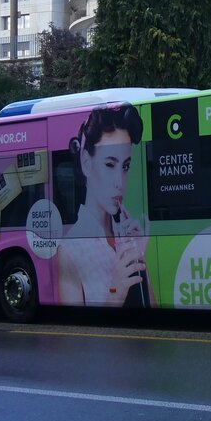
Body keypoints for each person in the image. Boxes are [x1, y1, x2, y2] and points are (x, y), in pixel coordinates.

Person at [58, 104, 154, 307]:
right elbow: (76, 332)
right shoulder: (70, 250)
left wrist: (141, 260)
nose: (120, 181)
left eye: (125, 166)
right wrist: (116, 294)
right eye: (110, 165)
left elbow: (151, 313)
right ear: (86, 163)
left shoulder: (128, 236)